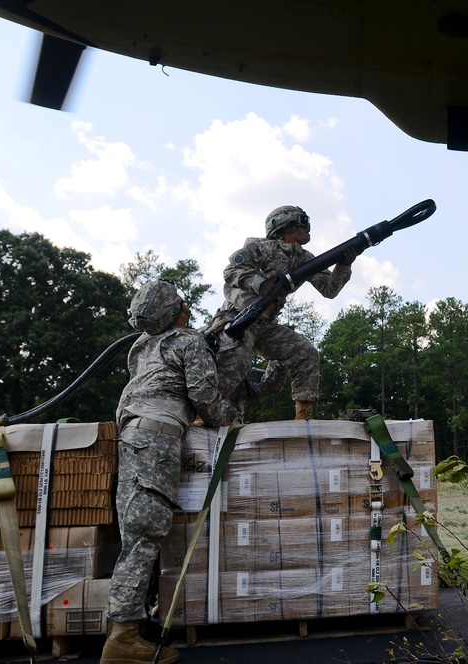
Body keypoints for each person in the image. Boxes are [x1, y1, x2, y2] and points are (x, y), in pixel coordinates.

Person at [103, 280, 237, 664]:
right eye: (182, 305)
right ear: (176, 313)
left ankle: (131, 626)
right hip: (156, 442)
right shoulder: (188, 342)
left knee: (136, 532)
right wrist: (232, 420)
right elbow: (205, 398)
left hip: (133, 439)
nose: (187, 309)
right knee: (145, 534)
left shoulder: (141, 346)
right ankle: (123, 639)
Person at [214, 205, 356, 420]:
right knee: (237, 360)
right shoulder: (261, 248)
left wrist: (344, 265)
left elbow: (329, 289)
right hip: (238, 319)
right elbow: (231, 271)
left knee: (305, 353)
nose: (308, 229)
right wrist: (262, 285)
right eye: (303, 223)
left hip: (266, 326)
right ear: (286, 225)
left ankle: (304, 416)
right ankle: (204, 412)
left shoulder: (305, 258)